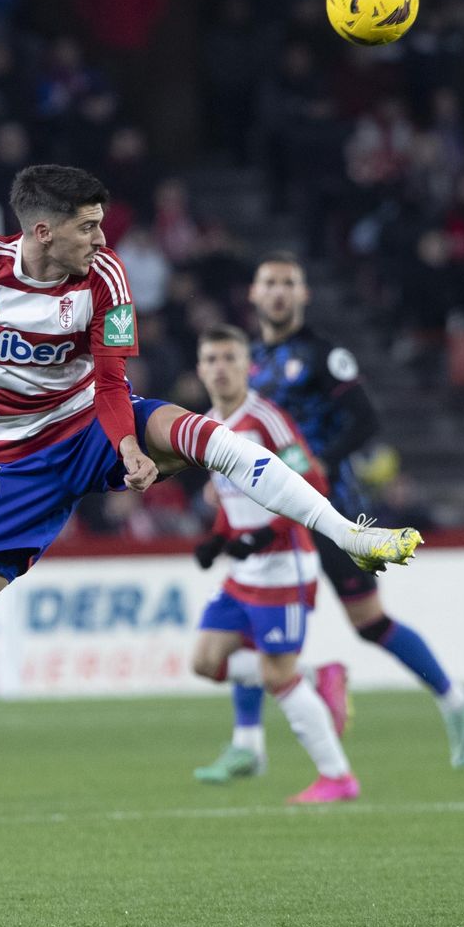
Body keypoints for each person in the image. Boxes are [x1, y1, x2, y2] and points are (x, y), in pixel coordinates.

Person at [0, 165, 420, 811]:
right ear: (44, 230)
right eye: (88, 226)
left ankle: (349, 532)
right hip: (15, 465)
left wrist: (130, 446)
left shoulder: (105, 276)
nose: (102, 238)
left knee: (213, 437)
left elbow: (111, 381)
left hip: (90, 426)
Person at [247, 252, 464, 768]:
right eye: (271, 283)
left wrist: (318, 466)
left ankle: (455, 699)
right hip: (269, 512)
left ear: (304, 294)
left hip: (331, 508)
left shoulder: (325, 356)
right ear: (254, 294)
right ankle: (252, 740)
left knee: (369, 622)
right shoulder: (247, 362)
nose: (280, 292)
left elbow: (365, 420)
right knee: (250, 616)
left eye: (290, 282)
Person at [187, 325, 358, 803]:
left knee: (276, 677)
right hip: (244, 573)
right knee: (204, 661)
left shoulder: (267, 419)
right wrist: (218, 537)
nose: (220, 368)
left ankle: (338, 777)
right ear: (200, 369)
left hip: (285, 570)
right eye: (211, 359)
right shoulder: (205, 427)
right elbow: (229, 498)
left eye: (229, 358)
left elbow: (313, 484)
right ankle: (318, 675)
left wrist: (264, 534)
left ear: (248, 366)